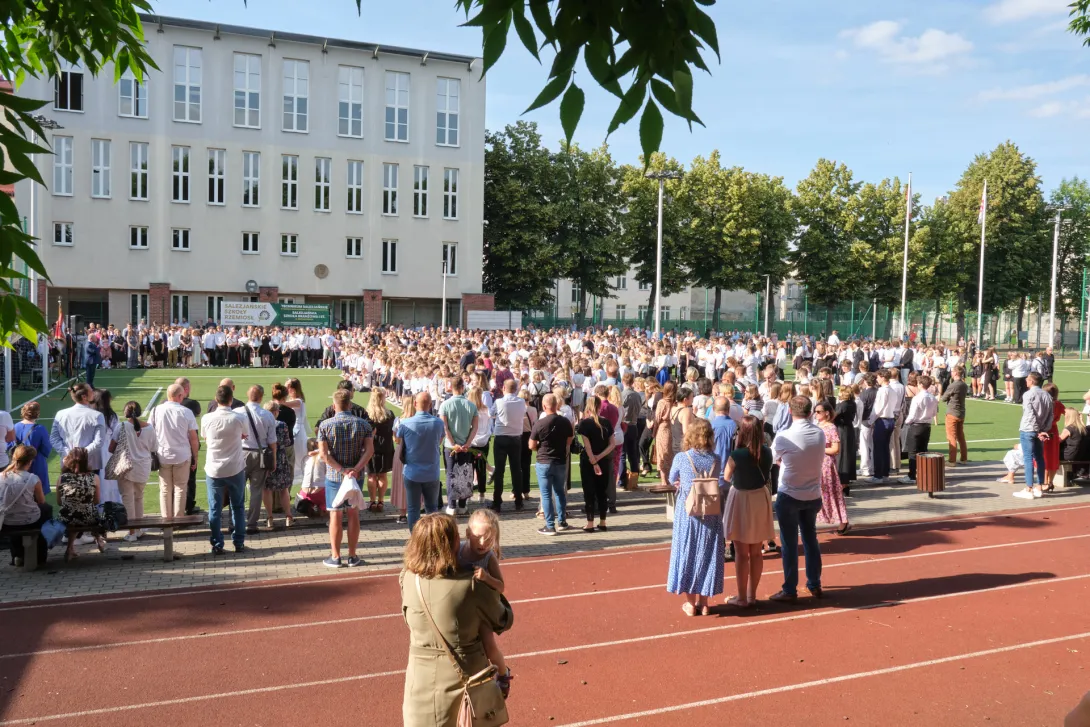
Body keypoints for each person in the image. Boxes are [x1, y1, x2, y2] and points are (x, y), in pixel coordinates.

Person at [399, 513, 513, 727]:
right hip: (464, 687)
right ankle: (503, 674)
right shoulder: (469, 586)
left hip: (419, 682)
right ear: (449, 545)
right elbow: (503, 619)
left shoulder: (407, 578)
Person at [769, 396, 826, 602]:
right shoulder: (819, 433)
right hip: (812, 493)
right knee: (810, 538)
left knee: (789, 543)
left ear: (790, 412)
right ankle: (814, 583)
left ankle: (790, 589)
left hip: (790, 494)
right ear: (810, 413)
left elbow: (773, 459)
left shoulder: (784, 436)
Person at [666, 418, 724, 616]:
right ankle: (704, 602)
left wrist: (681, 483)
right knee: (708, 555)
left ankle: (690, 603)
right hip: (711, 512)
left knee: (687, 553)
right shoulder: (716, 459)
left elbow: (671, 478)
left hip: (688, 514)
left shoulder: (682, 457)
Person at [456, 509, 513, 695]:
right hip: (463, 608)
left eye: (488, 539)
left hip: (482, 611)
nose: (482, 543)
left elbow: (501, 587)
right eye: (478, 537)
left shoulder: (489, 558)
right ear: (467, 533)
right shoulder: (458, 551)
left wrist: (487, 578)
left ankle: (503, 674)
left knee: (489, 646)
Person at [722, 416, 776, 607]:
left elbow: (726, 476)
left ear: (742, 432)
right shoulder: (767, 452)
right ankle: (752, 595)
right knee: (756, 552)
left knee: (741, 552)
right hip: (760, 498)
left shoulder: (737, 454)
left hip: (741, 499)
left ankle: (742, 597)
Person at [317, 389, 373, 567]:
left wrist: (341, 470)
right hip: (355, 476)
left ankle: (335, 556)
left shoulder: (325, 425)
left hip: (335, 476)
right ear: (350, 404)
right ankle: (352, 555)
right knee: (353, 514)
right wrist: (355, 469)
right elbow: (369, 451)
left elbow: (324, 455)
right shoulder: (364, 425)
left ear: (334, 406)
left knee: (335, 514)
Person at [201, 385, 249, 554]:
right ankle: (239, 542)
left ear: (216, 400)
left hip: (214, 469)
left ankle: (217, 543)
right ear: (231, 399)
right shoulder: (239, 417)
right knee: (237, 506)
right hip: (235, 467)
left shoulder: (207, 418)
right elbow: (245, 435)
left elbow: (205, 437)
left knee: (215, 509)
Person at [50, 384, 107, 515]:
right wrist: (80, 455)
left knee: (68, 496)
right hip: (89, 463)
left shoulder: (61, 414)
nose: (93, 392)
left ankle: (71, 523)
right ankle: (88, 524)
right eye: (91, 390)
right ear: (84, 396)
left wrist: (68, 454)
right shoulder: (97, 415)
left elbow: (54, 438)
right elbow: (99, 442)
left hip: (68, 462)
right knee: (90, 498)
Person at [147, 383, 199, 519]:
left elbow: (150, 432)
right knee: (180, 488)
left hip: (163, 454)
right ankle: (178, 518)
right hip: (182, 455)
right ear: (180, 396)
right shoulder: (186, 412)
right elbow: (194, 438)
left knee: (165, 489)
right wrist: (195, 457)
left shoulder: (156, 410)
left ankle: (167, 520)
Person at [397, 391, 445, 530]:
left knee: (413, 509)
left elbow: (399, 440)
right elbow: (439, 441)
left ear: (415, 404)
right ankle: (432, 537)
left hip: (412, 472)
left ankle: (415, 538)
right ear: (430, 405)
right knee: (432, 508)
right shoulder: (438, 423)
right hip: (431, 472)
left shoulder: (405, 423)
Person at [528, 393, 574, 536]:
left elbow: (531, 445)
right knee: (560, 492)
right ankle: (562, 521)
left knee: (546, 494)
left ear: (544, 406)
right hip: (560, 460)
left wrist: (539, 447)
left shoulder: (540, 423)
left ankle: (550, 526)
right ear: (557, 405)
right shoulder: (565, 422)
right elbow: (569, 440)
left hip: (544, 461)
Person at [0, 445, 51, 567]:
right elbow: (41, 501)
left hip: (6, 521)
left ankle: (17, 555)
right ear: (30, 461)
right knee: (46, 510)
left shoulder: (1, 476)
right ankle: (41, 555)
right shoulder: (33, 478)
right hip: (30, 520)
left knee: (14, 515)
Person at [116, 401, 157, 543]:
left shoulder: (121, 426)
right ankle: (138, 529)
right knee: (138, 497)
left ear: (125, 412)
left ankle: (132, 532)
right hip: (143, 467)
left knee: (128, 499)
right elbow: (154, 448)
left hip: (125, 467)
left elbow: (111, 447)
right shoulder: (149, 428)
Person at [239, 385, 278, 533]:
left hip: (241, 453)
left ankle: (235, 522)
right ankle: (251, 524)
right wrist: (273, 460)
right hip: (260, 454)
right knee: (256, 491)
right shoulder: (267, 415)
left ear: (247, 395)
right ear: (261, 397)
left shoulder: (238, 412)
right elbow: (272, 441)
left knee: (237, 490)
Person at [439, 377, 479, 516]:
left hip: (451, 446)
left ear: (451, 387)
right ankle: (462, 505)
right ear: (462, 387)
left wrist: (453, 443)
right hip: (465, 446)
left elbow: (445, 427)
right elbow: (475, 427)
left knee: (450, 474)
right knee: (464, 474)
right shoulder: (471, 405)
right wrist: (467, 443)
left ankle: (451, 505)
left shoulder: (445, 405)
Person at [576, 393, 616, 533]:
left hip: (589, 461)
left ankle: (590, 523)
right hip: (603, 460)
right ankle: (603, 522)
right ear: (600, 407)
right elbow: (612, 444)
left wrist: (593, 460)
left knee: (589, 492)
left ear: (588, 407)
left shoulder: (584, 424)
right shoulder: (607, 423)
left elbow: (587, 446)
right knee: (602, 491)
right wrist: (599, 457)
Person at [57, 447, 105, 560]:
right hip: (87, 516)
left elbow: (59, 502)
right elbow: (97, 501)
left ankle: (70, 548)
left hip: (66, 517)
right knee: (88, 513)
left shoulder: (62, 478)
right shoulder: (94, 477)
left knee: (75, 514)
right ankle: (99, 539)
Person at [813, 401, 851, 535]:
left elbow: (836, 449)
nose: (816, 414)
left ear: (827, 413)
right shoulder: (817, 426)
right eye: (815, 411)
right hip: (816, 463)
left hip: (826, 464)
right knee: (817, 493)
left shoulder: (831, 427)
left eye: (819, 412)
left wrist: (820, 449)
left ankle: (843, 522)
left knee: (832, 492)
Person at [490, 379, 526, 512]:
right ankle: (518, 501)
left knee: (499, 471)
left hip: (501, 437)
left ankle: (497, 502)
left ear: (504, 388)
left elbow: (491, 414)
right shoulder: (521, 401)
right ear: (515, 389)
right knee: (516, 470)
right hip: (515, 438)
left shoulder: (499, 401)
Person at [1015, 372, 1052, 500]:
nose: (1026, 380)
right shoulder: (1047, 395)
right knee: (1039, 457)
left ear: (1031, 381)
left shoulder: (1028, 394)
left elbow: (1030, 414)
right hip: (1040, 429)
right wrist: (1044, 429)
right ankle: (1039, 487)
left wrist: (1037, 430)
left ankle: (1029, 488)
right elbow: (1050, 415)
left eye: (1027, 379)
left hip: (1028, 429)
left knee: (1028, 458)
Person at [262, 401, 295, 529]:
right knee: (284, 488)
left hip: (266, 458)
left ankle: (270, 517)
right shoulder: (282, 425)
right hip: (281, 457)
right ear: (276, 412)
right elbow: (287, 442)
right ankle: (288, 516)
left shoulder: (262, 424)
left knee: (267, 489)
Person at [900, 375, 938, 485]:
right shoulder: (933, 398)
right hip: (927, 426)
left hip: (916, 425)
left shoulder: (917, 398)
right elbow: (934, 413)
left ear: (920, 385)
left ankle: (912, 475)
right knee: (923, 450)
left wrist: (906, 422)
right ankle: (923, 474)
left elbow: (912, 415)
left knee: (912, 452)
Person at [365, 387, 396, 513]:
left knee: (371, 475)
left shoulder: (367, 414)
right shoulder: (389, 414)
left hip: (371, 448)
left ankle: (372, 501)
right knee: (383, 475)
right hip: (386, 448)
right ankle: (381, 501)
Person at [14, 402, 52, 494]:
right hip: (36, 462)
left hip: (18, 462)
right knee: (37, 492)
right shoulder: (40, 429)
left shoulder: (15, 427)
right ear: (37, 414)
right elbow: (46, 448)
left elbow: (10, 445)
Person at [867, 370, 898, 484]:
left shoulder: (882, 390)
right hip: (890, 419)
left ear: (882, 377)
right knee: (885, 448)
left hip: (883, 420)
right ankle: (885, 473)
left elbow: (878, 408)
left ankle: (878, 475)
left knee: (879, 449)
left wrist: (871, 421)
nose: (877, 379)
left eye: (878, 377)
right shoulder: (892, 390)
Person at [940, 365, 969, 466]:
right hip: (961, 412)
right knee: (961, 437)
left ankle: (952, 460)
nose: (951, 373)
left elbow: (943, 398)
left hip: (952, 412)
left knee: (951, 437)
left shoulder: (953, 385)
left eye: (952, 371)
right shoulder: (964, 385)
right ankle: (964, 458)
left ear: (956, 373)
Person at [653, 382, 679, 488]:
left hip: (663, 428)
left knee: (662, 453)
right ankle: (671, 478)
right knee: (671, 453)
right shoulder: (676, 402)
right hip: (674, 428)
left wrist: (654, 432)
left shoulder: (662, 402)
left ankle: (664, 480)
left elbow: (657, 418)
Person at [833, 386, 857, 491]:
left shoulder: (843, 405)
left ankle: (842, 481)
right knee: (847, 455)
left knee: (842, 455)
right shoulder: (852, 403)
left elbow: (833, 416)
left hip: (842, 430)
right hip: (849, 429)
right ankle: (846, 481)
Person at [1042, 382, 1065, 493]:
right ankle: (1050, 482)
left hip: (1045, 431)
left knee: (1044, 457)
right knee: (1053, 458)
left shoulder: (1045, 404)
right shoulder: (1058, 404)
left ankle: (1044, 482)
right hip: (1054, 431)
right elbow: (1068, 413)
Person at [1059, 409, 1090, 478]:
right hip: (1080, 455)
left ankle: (1047, 476)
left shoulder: (1069, 429)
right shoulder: (1082, 429)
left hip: (1069, 455)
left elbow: (1058, 441)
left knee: (1051, 452)